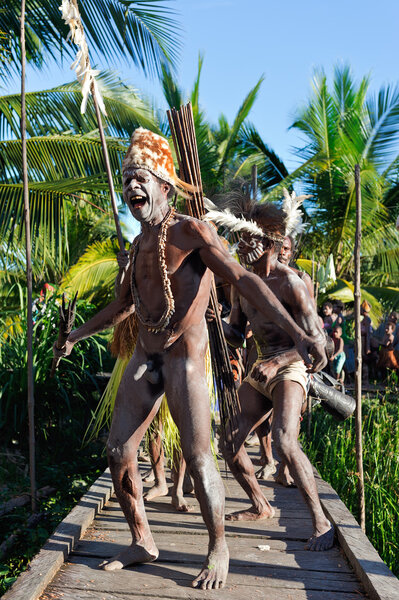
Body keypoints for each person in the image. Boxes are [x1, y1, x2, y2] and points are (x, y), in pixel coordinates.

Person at [53, 128, 326, 590]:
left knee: (200, 458)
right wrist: (75, 337)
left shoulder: (191, 231)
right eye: (127, 180)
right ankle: (142, 538)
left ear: (164, 183)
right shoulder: (139, 246)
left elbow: (242, 278)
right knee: (118, 451)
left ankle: (218, 546)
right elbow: (122, 307)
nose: (132, 187)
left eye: (141, 178)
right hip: (146, 350)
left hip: (185, 355)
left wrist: (301, 333)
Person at [213, 201, 334, 551]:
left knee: (284, 440)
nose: (238, 245)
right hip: (261, 366)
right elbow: (237, 333)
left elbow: (320, 346)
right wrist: (216, 324)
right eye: (237, 238)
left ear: (268, 243)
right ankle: (260, 504)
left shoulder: (291, 283)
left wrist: (279, 361)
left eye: (245, 239)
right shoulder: (242, 284)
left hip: (291, 367)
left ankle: (321, 522)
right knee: (228, 441)